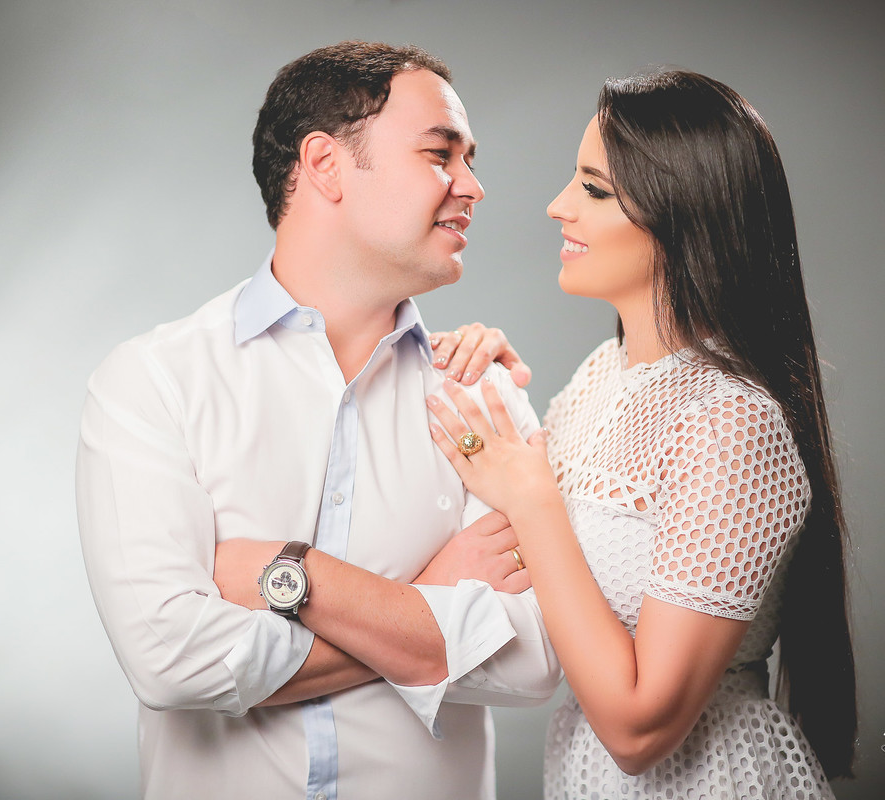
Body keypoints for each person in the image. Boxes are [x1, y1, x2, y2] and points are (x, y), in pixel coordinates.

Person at [75, 41, 560, 800]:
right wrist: (430, 600)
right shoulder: (154, 381)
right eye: (440, 154)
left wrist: (297, 579)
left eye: (468, 160)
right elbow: (170, 662)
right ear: (325, 165)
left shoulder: (480, 396)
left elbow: (535, 660)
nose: (472, 186)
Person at [428, 70, 857, 798]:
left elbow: (638, 730)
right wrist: (481, 382)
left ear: (685, 214)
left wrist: (533, 500)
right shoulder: (603, 375)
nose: (558, 205)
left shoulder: (732, 420)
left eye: (595, 189)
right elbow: (526, 566)